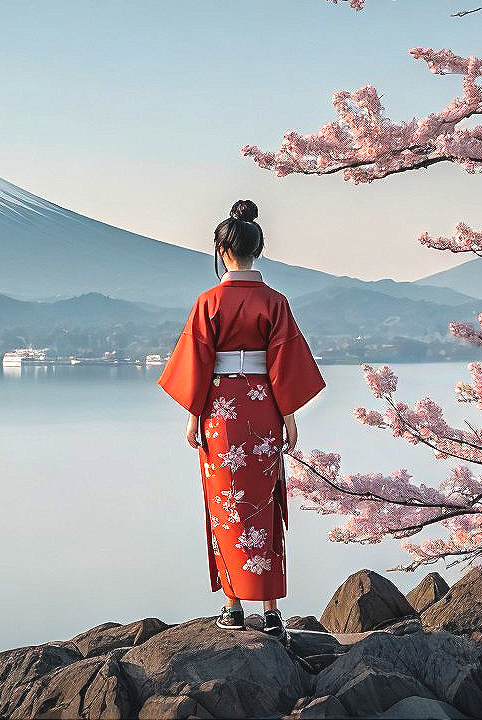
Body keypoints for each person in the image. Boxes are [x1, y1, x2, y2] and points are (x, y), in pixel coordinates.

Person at [157, 199, 325, 642]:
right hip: (263, 406)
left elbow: (195, 361)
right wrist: (288, 417)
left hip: (220, 411)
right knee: (265, 503)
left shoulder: (208, 301)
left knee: (225, 505)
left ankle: (232, 607)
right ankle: (270, 612)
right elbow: (284, 364)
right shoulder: (275, 302)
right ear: (259, 248)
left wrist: (194, 416)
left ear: (221, 249)